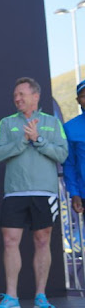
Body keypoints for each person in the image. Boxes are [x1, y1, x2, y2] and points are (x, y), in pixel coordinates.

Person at [0, 77, 67, 308]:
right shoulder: (6, 123)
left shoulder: (52, 123)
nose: (17, 98)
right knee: (9, 241)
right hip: (15, 191)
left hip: (44, 192)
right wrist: (23, 140)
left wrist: (39, 139)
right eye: (15, 95)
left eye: (22, 94)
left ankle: (40, 298)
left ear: (35, 96)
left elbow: (62, 154)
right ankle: (11, 298)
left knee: (42, 242)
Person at [63, 80, 85, 215]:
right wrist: (74, 193)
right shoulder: (70, 128)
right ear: (78, 100)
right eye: (84, 96)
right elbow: (69, 164)